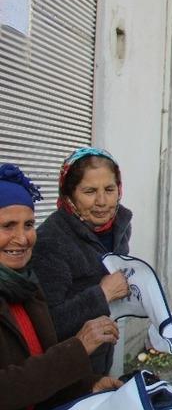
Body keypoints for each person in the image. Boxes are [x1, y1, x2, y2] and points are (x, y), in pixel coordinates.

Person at [0, 163, 122, 410]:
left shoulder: (26, 287)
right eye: (7, 226)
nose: (22, 238)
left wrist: (86, 386)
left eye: (28, 225)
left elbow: (40, 363)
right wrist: (78, 348)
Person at [30, 147, 131, 375]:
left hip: (105, 351)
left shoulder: (120, 226)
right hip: (67, 371)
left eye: (109, 189)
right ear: (69, 194)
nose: (102, 201)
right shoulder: (51, 241)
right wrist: (102, 294)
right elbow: (48, 324)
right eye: (89, 191)